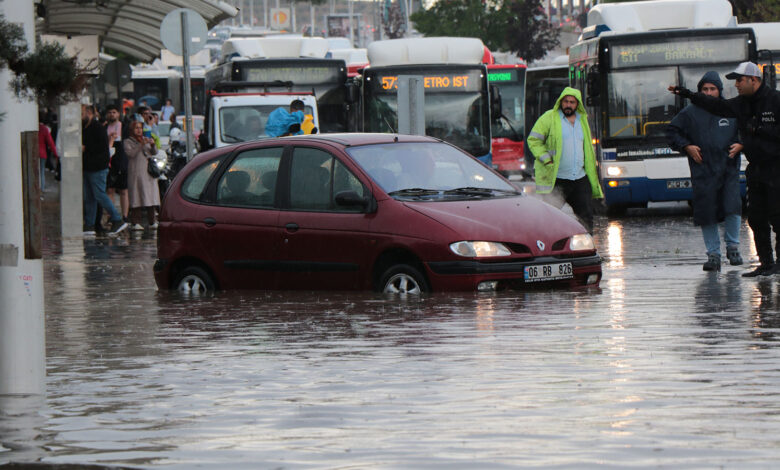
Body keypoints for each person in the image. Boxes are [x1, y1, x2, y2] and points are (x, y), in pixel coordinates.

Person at [670, 62, 780, 277]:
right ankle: (766, 264)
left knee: (778, 218)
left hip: (777, 169)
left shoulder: (775, 100)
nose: (736, 85)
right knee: (756, 219)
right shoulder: (741, 103)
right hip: (756, 171)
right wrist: (688, 94)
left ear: (753, 80)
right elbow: (716, 106)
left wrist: (758, 130)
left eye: (739, 80)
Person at [667, 71, 744, 272]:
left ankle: (733, 247)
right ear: (700, 91)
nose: (709, 93)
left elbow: (749, 129)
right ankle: (713, 254)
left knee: (732, 207)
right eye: (705, 89)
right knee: (706, 211)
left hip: (728, 168)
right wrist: (687, 147)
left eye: (713, 89)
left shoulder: (730, 110)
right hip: (704, 170)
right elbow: (672, 132)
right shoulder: (689, 113)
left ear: (720, 90)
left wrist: (741, 144)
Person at [527, 87, 604, 233]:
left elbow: (586, 147)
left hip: (579, 177)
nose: (568, 105)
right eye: (566, 101)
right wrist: (546, 159)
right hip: (557, 179)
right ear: (561, 102)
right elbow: (533, 140)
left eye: (572, 102)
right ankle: (547, 246)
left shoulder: (583, 121)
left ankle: (586, 246)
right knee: (549, 217)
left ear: (578, 104)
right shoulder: (549, 117)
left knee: (586, 216)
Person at [81, 105, 128, 236]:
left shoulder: (97, 128)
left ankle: (117, 219)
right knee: (89, 197)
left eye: (81, 113)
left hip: (97, 167)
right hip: (87, 167)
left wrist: (85, 148)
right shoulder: (85, 127)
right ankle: (89, 225)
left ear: (89, 113)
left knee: (99, 194)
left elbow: (101, 148)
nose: (79, 117)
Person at [124, 121, 161, 230]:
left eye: (140, 128)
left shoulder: (146, 139)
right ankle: (135, 222)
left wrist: (153, 144)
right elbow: (131, 154)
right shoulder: (128, 142)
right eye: (136, 128)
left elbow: (154, 152)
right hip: (136, 173)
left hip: (148, 174)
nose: (139, 130)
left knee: (150, 197)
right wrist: (141, 145)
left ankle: (152, 221)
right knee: (137, 197)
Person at [104, 104, 129, 222]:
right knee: (110, 189)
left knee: (123, 190)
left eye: (114, 112)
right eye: (110, 112)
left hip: (122, 161)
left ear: (118, 114)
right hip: (109, 161)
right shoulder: (104, 128)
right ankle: (111, 215)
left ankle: (125, 216)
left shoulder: (124, 127)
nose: (112, 114)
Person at [38, 113, 58, 193]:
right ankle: (41, 189)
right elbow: (50, 142)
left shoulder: (31, 128)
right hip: (42, 153)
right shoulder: (44, 129)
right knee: (41, 172)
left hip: (34, 153)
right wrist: (56, 154)